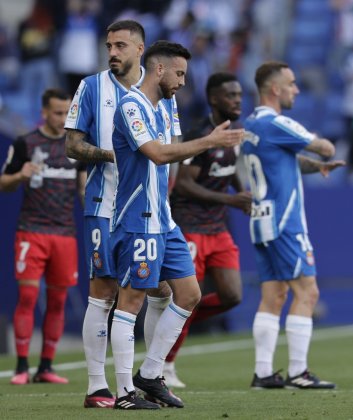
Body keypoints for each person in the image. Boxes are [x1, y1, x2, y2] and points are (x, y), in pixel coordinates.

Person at [110, 40, 243, 410]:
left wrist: (202, 146)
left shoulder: (168, 105)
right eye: (180, 73)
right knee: (132, 300)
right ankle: (123, 394)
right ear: (159, 69)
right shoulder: (130, 105)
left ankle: (151, 374)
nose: (183, 82)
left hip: (165, 220)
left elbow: (173, 153)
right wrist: (208, 142)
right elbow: (157, 153)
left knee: (188, 293)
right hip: (137, 219)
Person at [64, 20, 175, 409]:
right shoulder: (91, 87)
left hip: (147, 209)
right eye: (109, 46)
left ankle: (149, 375)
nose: (113, 52)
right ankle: (98, 387)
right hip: (103, 205)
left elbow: (170, 148)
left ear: (141, 49)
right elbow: (72, 144)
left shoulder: (163, 88)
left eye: (121, 46)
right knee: (103, 294)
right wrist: (113, 153)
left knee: (161, 290)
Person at [242, 61, 345, 390]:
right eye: (291, 83)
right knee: (308, 291)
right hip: (286, 222)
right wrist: (322, 149)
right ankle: (299, 372)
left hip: (261, 219)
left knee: (273, 295)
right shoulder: (276, 122)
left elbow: (280, 160)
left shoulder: (250, 125)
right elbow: (325, 146)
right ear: (275, 89)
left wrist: (316, 168)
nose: (296, 90)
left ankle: (262, 372)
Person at [166, 72, 251, 388]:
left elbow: (228, 170)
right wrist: (231, 199)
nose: (238, 101)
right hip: (191, 226)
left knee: (232, 295)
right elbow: (184, 185)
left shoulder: (234, 135)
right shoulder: (201, 135)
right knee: (188, 299)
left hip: (217, 228)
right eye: (231, 95)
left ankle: (170, 325)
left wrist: (242, 194)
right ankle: (166, 364)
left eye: (240, 95)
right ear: (214, 99)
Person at [0, 88, 86, 385]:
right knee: (27, 295)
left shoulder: (77, 146)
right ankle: (22, 366)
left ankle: (46, 367)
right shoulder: (26, 143)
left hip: (65, 234)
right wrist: (19, 176)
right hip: (32, 230)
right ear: (44, 113)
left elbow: (83, 189)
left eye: (67, 113)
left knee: (58, 301)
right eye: (58, 113)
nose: (63, 119)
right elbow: (4, 183)